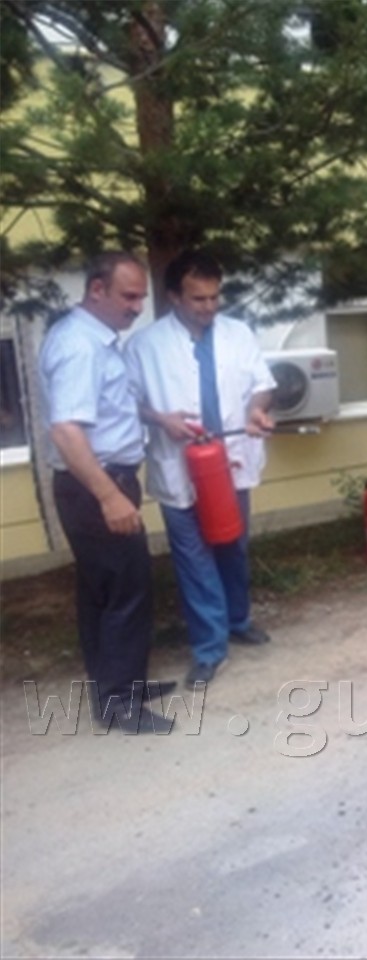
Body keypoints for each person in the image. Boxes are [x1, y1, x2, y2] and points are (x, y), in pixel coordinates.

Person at [124, 249, 276, 690]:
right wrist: (160, 419)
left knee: (232, 546)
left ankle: (238, 619)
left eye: (214, 298)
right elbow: (129, 402)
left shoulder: (238, 333)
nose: (208, 308)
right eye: (197, 299)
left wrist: (257, 413)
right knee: (194, 558)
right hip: (179, 465)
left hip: (230, 461)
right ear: (174, 297)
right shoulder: (145, 345)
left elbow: (261, 385)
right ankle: (210, 648)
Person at [37, 251, 174, 733]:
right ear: (97, 290)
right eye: (129, 296)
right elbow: (68, 432)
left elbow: (110, 409)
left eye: (141, 296)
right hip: (96, 486)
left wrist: (159, 419)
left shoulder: (95, 339)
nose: (138, 307)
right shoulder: (81, 345)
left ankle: (116, 686)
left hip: (95, 483)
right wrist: (110, 497)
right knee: (126, 590)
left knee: (100, 591)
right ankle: (121, 703)